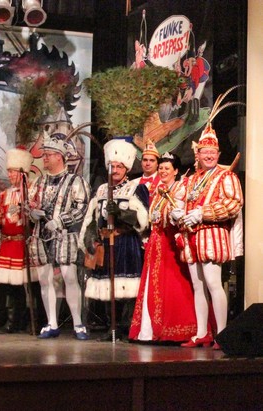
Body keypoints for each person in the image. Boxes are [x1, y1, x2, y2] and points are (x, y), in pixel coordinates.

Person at [172, 114, 243, 349]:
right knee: (198, 285)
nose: (209, 155)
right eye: (205, 152)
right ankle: (202, 332)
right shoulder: (191, 180)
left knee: (213, 283)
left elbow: (233, 203)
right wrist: (177, 212)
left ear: (219, 155)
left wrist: (204, 212)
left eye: (213, 152)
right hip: (191, 236)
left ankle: (222, 334)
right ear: (198, 155)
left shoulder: (227, 176)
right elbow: (178, 201)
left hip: (212, 234)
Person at [82, 139, 150, 341]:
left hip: (125, 244)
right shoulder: (102, 190)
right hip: (105, 243)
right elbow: (92, 217)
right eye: (113, 166)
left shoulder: (135, 188)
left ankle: (126, 327)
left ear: (126, 168)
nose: (116, 169)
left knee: (126, 288)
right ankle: (110, 327)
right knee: (107, 289)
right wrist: (90, 236)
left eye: (120, 166)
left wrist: (121, 214)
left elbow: (143, 219)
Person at [130, 154, 197, 343]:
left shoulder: (180, 189)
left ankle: (174, 329)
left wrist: (175, 216)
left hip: (170, 244)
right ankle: (148, 330)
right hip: (156, 243)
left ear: (176, 171)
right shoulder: (158, 190)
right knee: (153, 284)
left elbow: (179, 216)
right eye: (161, 168)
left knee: (173, 285)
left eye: (167, 168)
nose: (163, 171)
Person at [29, 136, 90, 340]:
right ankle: (51, 322)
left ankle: (78, 323)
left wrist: (61, 221)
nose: (44, 158)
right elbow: (30, 204)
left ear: (59, 157)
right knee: (45, 280)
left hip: (64, 235)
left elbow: (81, 206)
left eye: (47, 155)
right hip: (41, 235)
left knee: (69, 276)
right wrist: (32, 213)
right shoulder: (39, 182)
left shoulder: (75, 181)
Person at [0, 149, 40, 334]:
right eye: (9, 171)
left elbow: (35, 215)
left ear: (23, 173)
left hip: (23, 244)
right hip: (7, 243)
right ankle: (12, 321)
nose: (10, 175)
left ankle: (31, 321)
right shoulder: (4, 194)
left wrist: (26, 209)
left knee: (27, 285)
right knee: (9, 286)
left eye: (13, 171)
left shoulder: (31, 192)